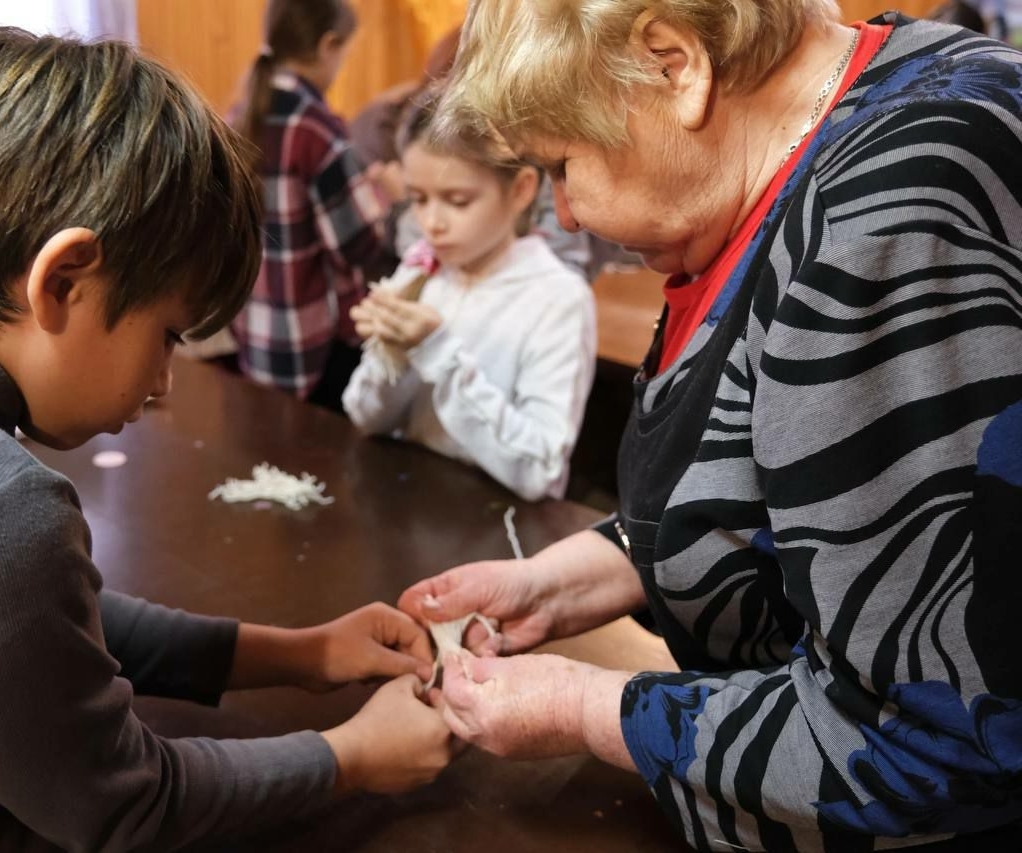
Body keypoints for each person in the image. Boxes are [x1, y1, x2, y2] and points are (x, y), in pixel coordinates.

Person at [0, 27, 454, 851]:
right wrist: (351, 754)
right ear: (63, 280)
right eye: (168, 334)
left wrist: (302, 653)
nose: (163, 383)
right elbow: (124, 805)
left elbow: (35, 620)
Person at [399, 2, 1022, 850]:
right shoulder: (850, 115)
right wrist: (576, 575)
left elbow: (926, 738)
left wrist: (586, 708)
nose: (568, 215)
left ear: (672, 64)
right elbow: (806, 482)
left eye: (562, 164)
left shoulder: (888, 225)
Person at [342, 90, 596, 501]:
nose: (432, 223)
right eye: (418, 200)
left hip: (498, 524)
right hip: (411, 503)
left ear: (520, 190)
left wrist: (436, 351)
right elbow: (365, 416)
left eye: (457, 201)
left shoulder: (558, 299)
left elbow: (539, 471)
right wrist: (392, 352)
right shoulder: (421, 271)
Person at [230, 0, 390, 413]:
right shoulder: (317, 128)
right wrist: (387, 195)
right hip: (314, 347)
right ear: (328, 45)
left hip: (253, 334)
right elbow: (357, 246)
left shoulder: (239, 116)